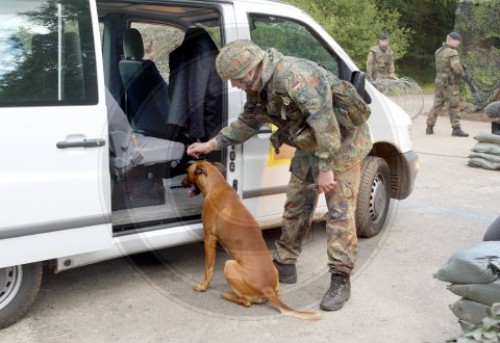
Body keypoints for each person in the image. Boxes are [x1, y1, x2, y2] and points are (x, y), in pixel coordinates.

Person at [186, 39, 373, 312]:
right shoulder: (258, 87)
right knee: (296, 203)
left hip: (340, 147)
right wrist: (212, 144)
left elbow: (327, 126)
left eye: (235, 80)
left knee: (339, 213)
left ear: (250, 71)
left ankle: (340, 279)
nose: (234, 85)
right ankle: (285, 263)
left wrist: (326, 169)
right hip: (309, 144)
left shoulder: (296, 76)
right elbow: (248, 122)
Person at [426, 32, 469, 137]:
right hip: (450, 84)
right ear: (451, 40)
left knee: (436, 105)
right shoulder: (452, 52)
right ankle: (456, 129)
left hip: (439, 82)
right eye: (457, 41)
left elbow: (444, 67)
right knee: (453, 105)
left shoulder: (439, 51)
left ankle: (429, 127)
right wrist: (463, 73)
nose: (458, 43)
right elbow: (456, 69)